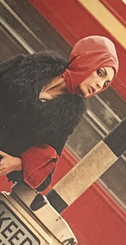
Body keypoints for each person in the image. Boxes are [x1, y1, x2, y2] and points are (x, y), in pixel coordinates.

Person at [0, 35, 119, 194]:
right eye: (100, 72)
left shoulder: (67, 116)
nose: (99, 85)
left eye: (105, 84)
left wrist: (18, 163)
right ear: (86, 60)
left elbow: (46, 170)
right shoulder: (30, 65)